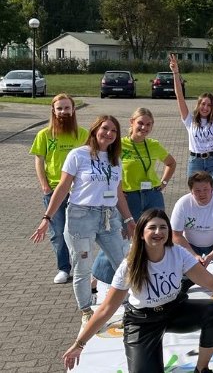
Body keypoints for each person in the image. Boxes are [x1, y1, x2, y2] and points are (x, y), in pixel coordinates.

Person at [61, 209, 213, 373]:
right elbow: (106, 308)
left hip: (173, 310)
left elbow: (211, 282)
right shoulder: (130, 265)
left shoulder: (177, 253)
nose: (158, 232)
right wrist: (79, 343)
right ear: (141, 234)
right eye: (152, 228)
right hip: (142, 322)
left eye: (163, 227)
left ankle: (202, 368)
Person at [31, 115, 135, 325]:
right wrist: (47, 218)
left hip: (109, 217)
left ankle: (129, 304)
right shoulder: (78, 155)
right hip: (81, 216)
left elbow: (119, 193)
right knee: (82, 266)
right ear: (95, 130)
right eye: (105, 129)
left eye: (114, 131)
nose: (109, 134)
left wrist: (129, 219)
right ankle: (86, 309)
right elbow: (62, 188)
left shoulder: (115, 160)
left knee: (123, 263)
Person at [91, 107, 178, 285]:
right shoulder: (119, 145)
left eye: (148, 125)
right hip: (129, 198)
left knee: (156, 234)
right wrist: (116, 189)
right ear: (132, 122)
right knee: (120, 237)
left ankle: (151, 272)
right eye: (140, 123)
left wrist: (164, 182)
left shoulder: (153, 145)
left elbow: (171, 162)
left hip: (152, 195)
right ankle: (98, 275)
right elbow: (108, 169)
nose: (144, 128)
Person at [31, 93, 88, 284]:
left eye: (67, 108)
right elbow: (39, 161)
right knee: (57, 232)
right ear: (53, 111)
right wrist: (45, 186)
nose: (63, 111)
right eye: (60, 108)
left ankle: (82, 266)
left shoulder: (82, 134)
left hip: (78, 191)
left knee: (77, 231)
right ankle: (63, 268)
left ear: (73, 110)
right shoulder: (44, 135)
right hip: (54, 190)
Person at [170, 54, 213, 193]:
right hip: (195, 162)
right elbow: (180, 97)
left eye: (209, 105)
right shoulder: (189, 120)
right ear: (198, 105)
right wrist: (176, 73)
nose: (205, 107)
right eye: (203, 104)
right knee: (195, 196)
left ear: (212, 107)